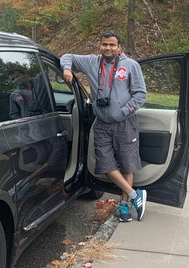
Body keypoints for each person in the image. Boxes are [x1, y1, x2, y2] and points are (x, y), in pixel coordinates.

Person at [60, 30, 148, 222]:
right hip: (101, 124)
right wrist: (67, 69)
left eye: (112, 45)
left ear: (119, 47)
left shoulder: (131, 66)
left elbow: (141, 95)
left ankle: (124, 206)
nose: (108, 48)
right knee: (105, 164)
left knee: (126, 164)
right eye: (104, 44)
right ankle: (135, 195)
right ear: (100, 45)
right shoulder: (92, 62)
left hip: (125, 123)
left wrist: (123, 111)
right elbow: (67, 57)